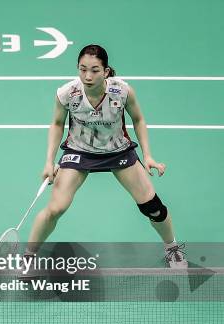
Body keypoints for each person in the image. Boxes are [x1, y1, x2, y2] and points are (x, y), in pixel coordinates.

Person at [26, 44, 186, 268]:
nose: (87, 76)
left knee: (153, 208)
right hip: (79, 151)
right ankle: (28, 257)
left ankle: (173, 249)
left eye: (94, 70)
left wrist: (147, 155)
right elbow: (57, 124)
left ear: (106, 71)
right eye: (82, 69)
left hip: (118, 151)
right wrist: (48, 161)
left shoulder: (122, 91)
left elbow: (138, 119)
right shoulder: (67, 93)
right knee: (55, 209)